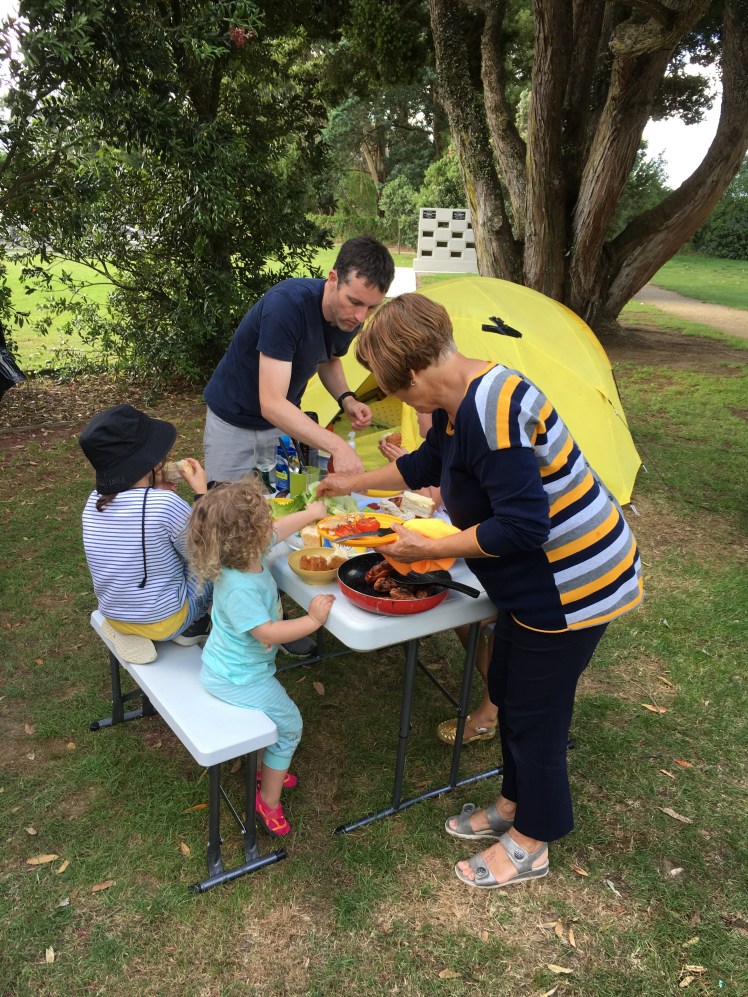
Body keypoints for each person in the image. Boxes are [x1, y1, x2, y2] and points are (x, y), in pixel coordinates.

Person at [318, 293, 643, 889]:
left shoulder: (493, 410)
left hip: (570, 584)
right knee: (509, 692)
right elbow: (424, 465)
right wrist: (352, 482)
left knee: (536, 713)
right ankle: (515, 803)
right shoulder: (456, 402)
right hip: (534, 583)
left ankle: (533, 840)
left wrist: (431, 547)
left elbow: (523, 527)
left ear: (417, 372)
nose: (398, 402)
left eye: (396, 389)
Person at [186, 477, 334, 837]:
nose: (271, 521)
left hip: (236, 668)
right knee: (291, 725)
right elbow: (267, 633)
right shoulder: (240, 587)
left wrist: (311, 512)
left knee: (280, 722)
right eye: (265, 518)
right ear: (249, 535)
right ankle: (267, 800)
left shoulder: (245, 555)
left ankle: (267, 768)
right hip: (238, 678)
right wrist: (312, 621)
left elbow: (280, 530)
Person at [202, 235, 395, 484]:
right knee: (224, 504)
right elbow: (272, 403)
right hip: (233, 422)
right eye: (354, 302)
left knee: (283, 498)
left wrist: (346, 398)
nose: (360, 317)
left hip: (284, 425)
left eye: (371, 307)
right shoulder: (286, 306)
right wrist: (337, 445)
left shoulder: (349, 318)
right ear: (333, 279)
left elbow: (328, 358)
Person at [379, 412, 498, 745]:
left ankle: (491, 710)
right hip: (465, 554)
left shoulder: (467, 444)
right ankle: (501, 690)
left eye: (418, 410)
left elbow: (433, 500)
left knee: (483, 615)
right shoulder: (446, 444)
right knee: (463, 616)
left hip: (490, 555)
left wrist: (406, 467)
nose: (413, 414)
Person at [79, 404, 213, 666]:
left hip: (114, 614)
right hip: (166, 621)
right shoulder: (165, 505)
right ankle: (193, 624)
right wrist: (202, 496)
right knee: (212, 566)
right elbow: (207, 549)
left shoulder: (93, 501)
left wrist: (157, 493)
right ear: (148, 463)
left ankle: (127, 630)